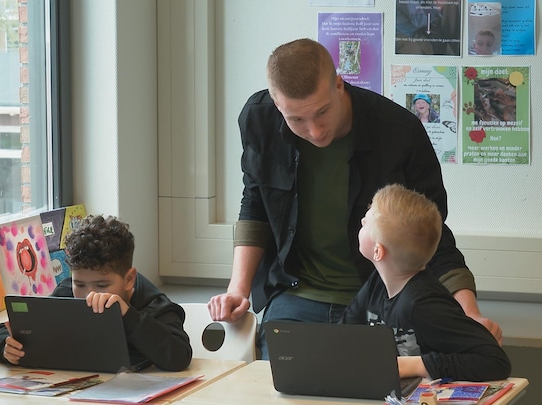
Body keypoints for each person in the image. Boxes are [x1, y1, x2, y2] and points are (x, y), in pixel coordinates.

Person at [207, 38, 502, 359]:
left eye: (322, 112)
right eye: (296, 120)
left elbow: (430, 233)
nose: (315, 131)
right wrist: (237, 289)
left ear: (338, 84)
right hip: (295, 297)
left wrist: (468, 312)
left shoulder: (398, 132)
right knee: (285, 388)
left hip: (383, 300)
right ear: (277, 105)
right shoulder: (258, 119)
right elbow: (256, 205)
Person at [341, 184, 511, 381]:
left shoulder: (425, 304)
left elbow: (495, 361)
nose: (361, 220)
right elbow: (344, 335)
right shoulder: (376, 284)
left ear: (378, 251)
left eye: (366, 222)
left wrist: (414, 365)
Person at [0, 215, 192, 371]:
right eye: (80, 284)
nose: (89, 295)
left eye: (102, 285)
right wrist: (6, 348)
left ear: (129, 280)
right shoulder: (67, 292)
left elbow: (179, 356)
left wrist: (127, 315)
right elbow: (5, 331)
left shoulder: (154, 305)